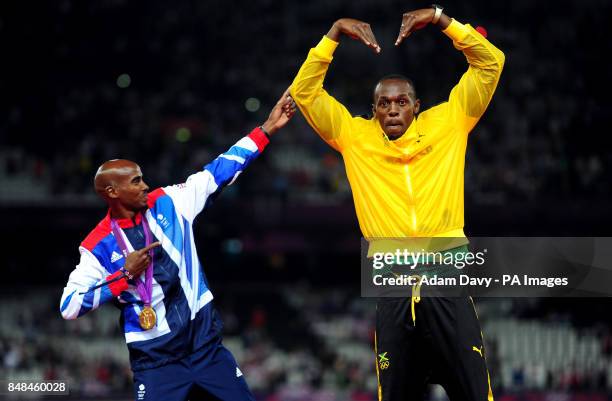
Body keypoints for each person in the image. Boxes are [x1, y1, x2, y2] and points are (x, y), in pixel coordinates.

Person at [290, 5, 504, 401]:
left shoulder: (450, 121)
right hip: (391, 282)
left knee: (475, 393)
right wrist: (332, 35)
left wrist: (442, 20)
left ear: (416, 105)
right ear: (374, 110)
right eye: (384, 104)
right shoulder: (354, 136)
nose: (392, 109)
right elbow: (304, 93)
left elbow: (490, 63)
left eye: (401, 101)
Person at [60, 90, 296, 401]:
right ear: (112, 192)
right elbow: (69, 306)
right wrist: (123, 277)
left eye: (142, 178)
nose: (145, 184)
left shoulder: (170, 201)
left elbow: (219, 171)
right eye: (135, 181)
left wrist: (265, 130)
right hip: (156, 363)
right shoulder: (97, 246)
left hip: (206, 349)